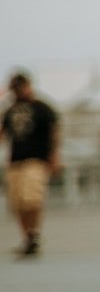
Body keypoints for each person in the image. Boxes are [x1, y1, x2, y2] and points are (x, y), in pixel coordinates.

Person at [5, 71, 62, 261]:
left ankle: (34, 233)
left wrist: (54, 155)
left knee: (32, 198)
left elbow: (54, 130)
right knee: (18, 203)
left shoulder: (42, 108)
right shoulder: (10, 110)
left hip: (36, 160)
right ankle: (28, 238)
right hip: (15, 161)